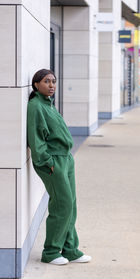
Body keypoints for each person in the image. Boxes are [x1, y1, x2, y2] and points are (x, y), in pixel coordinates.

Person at [27, 69, 91, 265]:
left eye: (54, 81)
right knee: (61, 204)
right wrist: (48, 163)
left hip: (65, 159)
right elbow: (36, 139)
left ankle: (70, 249)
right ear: (36, 84)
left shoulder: (49, 105)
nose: (52, 85)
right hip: (53, 161)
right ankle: (51, 251)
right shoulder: (36, 106)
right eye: (47, 81)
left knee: (70, 204)